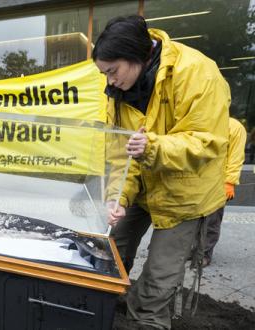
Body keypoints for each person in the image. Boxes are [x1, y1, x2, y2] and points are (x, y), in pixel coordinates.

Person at [93, 16, 230, 329]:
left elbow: (208, 143)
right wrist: (118, 198)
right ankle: (102, 304)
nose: (110, 81)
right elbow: (119, 152)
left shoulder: (197, 72)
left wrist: (152, 147)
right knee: (110, 250)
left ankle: (147, 319)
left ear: (136, 56)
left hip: (185, 193)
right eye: (104, 74)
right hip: (141, 183)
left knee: (160, 273)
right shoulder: (115, 93)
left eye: (112, 71)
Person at [203, 117, 246, 266]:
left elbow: (236, 157)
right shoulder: (204, 121)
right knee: (193, 220)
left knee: (212, 221)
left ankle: (204, 254)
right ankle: (193, 250)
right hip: (199, 181)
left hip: (219, 183)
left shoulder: (234, 127)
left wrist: (229, 182)